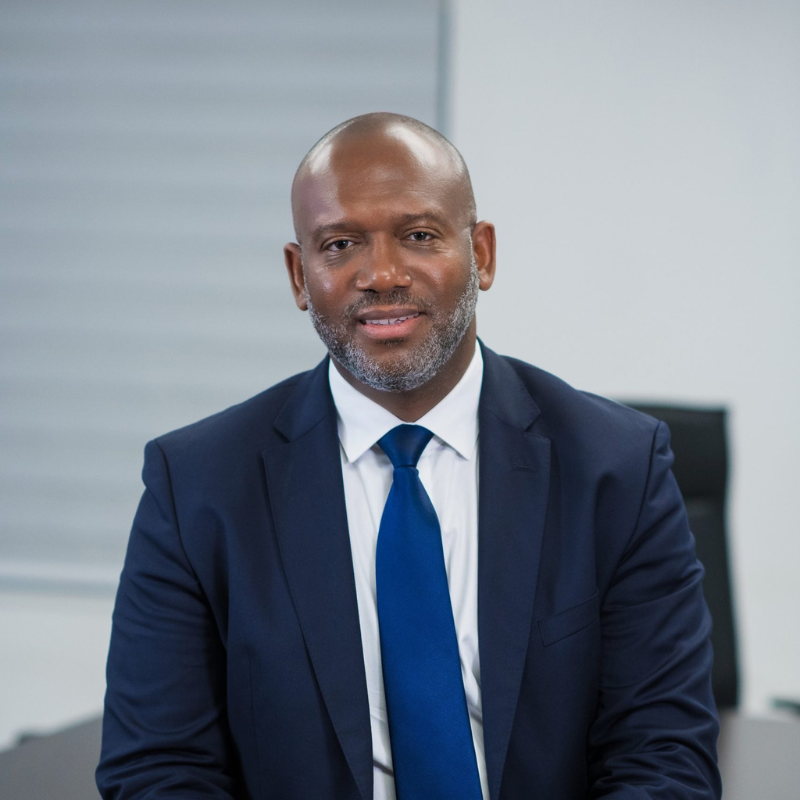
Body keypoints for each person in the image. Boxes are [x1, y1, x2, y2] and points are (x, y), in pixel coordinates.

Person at [97, 112, 721, 799]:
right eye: (339, 245)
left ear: (481, 253)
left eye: (419, 235)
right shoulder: (197, 488)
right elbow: (157, 769)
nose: (382, 273)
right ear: (299, 276)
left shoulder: (619, 468)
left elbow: (664, 759)